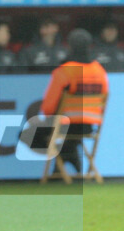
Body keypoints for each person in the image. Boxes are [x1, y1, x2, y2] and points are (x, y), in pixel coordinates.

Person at [29, 28, 108, 173]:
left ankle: (66, 156)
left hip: (65, 124)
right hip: (89, 125)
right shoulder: (100, 71)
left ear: (69, 46)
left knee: (29, 135)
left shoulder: (64, 71)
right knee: (70, 139)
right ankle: (67, 156)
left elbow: (48, 107)